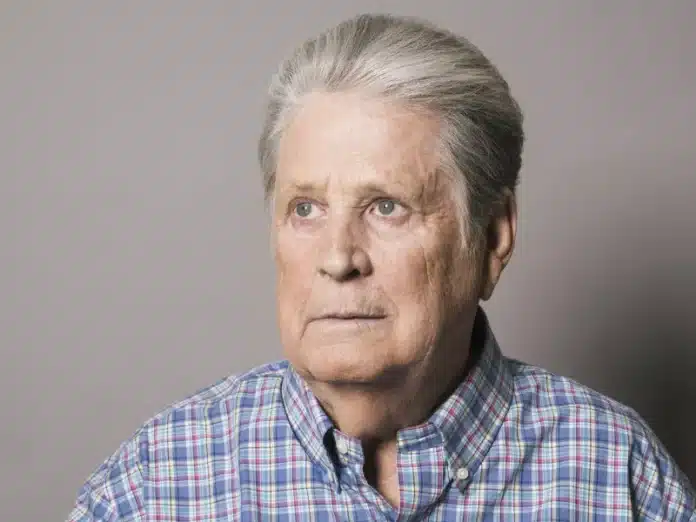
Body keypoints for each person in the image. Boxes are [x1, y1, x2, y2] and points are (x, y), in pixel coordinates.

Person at [66, 13, 695, 521]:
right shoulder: (159, 484)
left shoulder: (614, 474)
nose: (338, 258)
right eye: (306, 208)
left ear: (493, 236)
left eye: (387, 206)